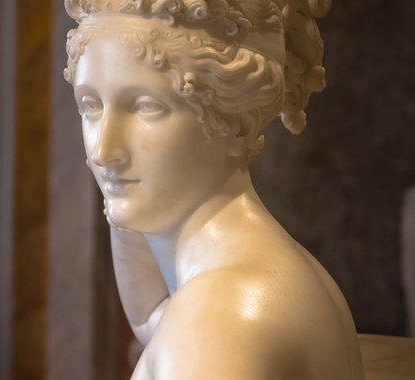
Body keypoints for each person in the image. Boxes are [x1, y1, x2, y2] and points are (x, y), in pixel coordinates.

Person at [64, 0, 367, 378]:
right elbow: (151, 314)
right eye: (91, 105)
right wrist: (126, 199)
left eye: (146, 107)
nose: (103, 150)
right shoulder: (252, 274)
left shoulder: (220, 320)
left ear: (239, 124)